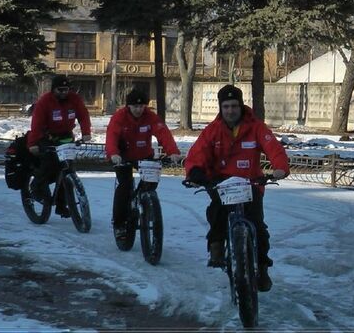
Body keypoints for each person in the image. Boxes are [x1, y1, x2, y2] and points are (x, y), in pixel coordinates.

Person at [183, 84, 290, 292]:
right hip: (221, 184)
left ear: (241, 106)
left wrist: (280, 168)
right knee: (216, 213)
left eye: (234, 106)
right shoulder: (212, 130)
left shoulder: (256, 127)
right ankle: (216, 245)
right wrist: (195, 172)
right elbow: (197, 153)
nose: (230, 110)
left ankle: (262, 267)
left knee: (258, 227)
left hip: (251, 184)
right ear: (221, 109)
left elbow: (274, 148)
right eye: (226, 107)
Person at [105, 89, 181, 239]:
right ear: (129, 106)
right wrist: (113, 154)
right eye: (135, 107)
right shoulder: (119, 117)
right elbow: (111, 136)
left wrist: (172, 151)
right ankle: (119, 224)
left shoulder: (150, 117)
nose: (139, 110)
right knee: (124, 187)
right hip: (123, 157)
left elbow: (163, 133)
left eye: (142, 106)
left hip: (144, 155)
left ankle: (146, 204)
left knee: (150, 184)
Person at [27, 75, 92, 213]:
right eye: (60, 90)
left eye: (66, 89)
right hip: (46, 136)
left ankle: (62, 205)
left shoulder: (74, 99)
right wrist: (33, 143)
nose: (63, 93)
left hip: (66, 136)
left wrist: (86, 132)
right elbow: (36, 124)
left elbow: (83, 115)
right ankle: (36, 188)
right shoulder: (45, 101)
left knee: (67, 167)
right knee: (49, 162)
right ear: (53, 89)